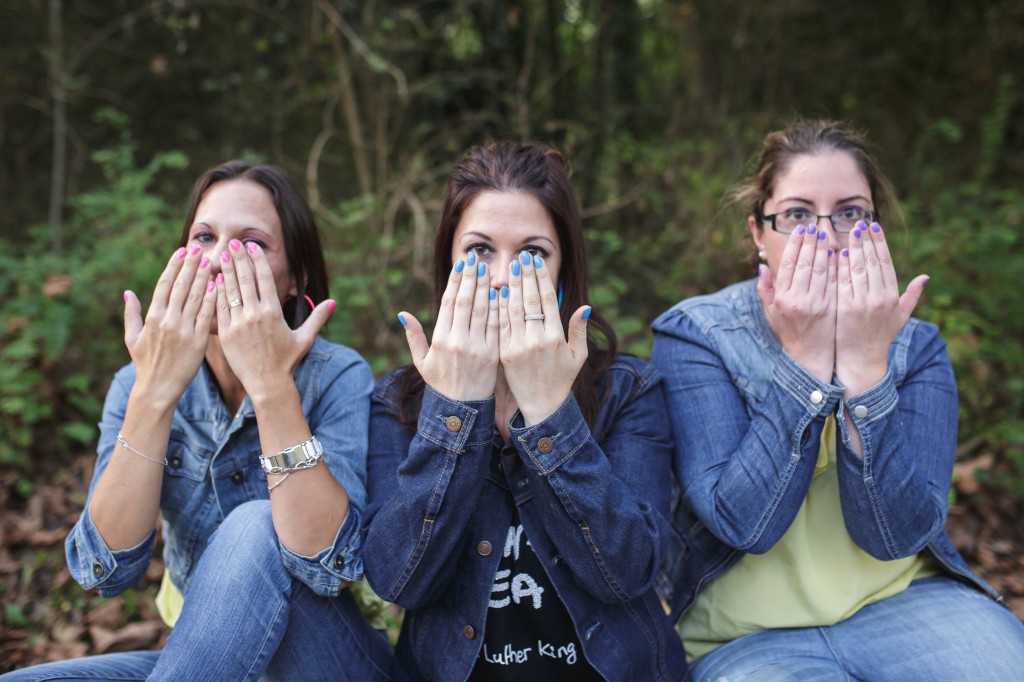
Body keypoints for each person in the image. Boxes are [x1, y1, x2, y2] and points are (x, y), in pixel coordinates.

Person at [651, 120, 1024, 680]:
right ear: (758, 232)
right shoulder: (696, 336)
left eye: (850, 212)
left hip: (905, 606)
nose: (827, 236)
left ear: (875, 227)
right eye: (798, 214)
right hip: (746, 638)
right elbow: (744, 525)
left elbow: (894, 536)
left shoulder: (916, 348)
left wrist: (866, 371)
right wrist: (803, 363)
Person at [2, 161, 391, 681]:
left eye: (250, 244)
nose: (216, 261)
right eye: (204, 237)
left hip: (326, 662)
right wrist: (154, 394)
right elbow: (107, 571)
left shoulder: (337, 375)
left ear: (294, 277)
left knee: (255, 524)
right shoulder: (137, 382)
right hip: (206, 661)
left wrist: (271, 385)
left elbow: (327, 568)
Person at [362, 141, 687, 680]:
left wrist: (548, 411)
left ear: (565, 270)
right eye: (479, 250)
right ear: (447, 263)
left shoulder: (629, 390)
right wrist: (456, 408)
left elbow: (627, 573)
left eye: (533, 254)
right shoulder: (397, 400)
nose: (503, 276)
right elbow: (400, 581)